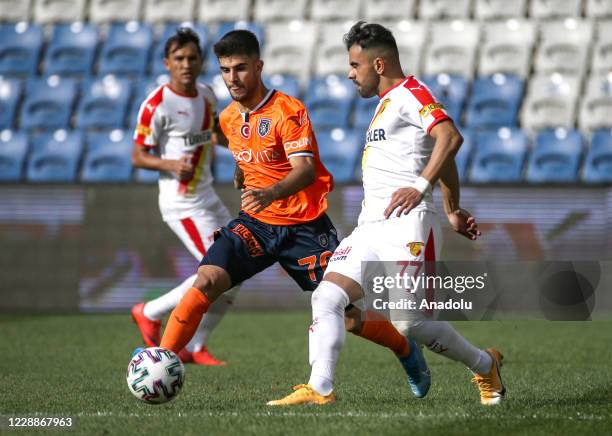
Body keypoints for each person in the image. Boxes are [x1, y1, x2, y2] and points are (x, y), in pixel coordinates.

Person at [158, 29, 431, 398]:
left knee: (349, 316)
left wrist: (269, 192)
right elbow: (246, 153)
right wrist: (243, 172)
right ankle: (160, 361)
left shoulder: (289, 110)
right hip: (255, 225)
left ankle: (405, 348)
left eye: (240, 68)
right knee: (205, 280)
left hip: (305, 226)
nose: (233, 79)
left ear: (258, 66)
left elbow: (303, 170)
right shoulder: (227, 118)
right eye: (225, 70)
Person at [268, 21, 506, 406]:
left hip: (410, 223)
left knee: (411, 323)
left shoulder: (413, 92)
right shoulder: (386, 104)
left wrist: (424, 191)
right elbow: (439, 157)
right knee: (327, 297)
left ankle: (484, 364)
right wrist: (453, 207)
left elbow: (450, 138)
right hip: (370, 226)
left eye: (354, 65)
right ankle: (320, 388)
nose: (349, 73)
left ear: (378, 65)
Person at [130, 28, 239, 366]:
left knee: (238, 273)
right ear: (167, 63)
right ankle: (149, 312)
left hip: (208, 197)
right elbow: (138, 155)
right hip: (182, 203)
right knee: (219, 269)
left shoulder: (207, 95)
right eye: (179, 58)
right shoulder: (156, 104)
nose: (186, 64)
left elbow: (218, 133)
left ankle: (196, 346)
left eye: (192, 57)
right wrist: (168, 163)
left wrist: (244, 154)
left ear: (201, 61)